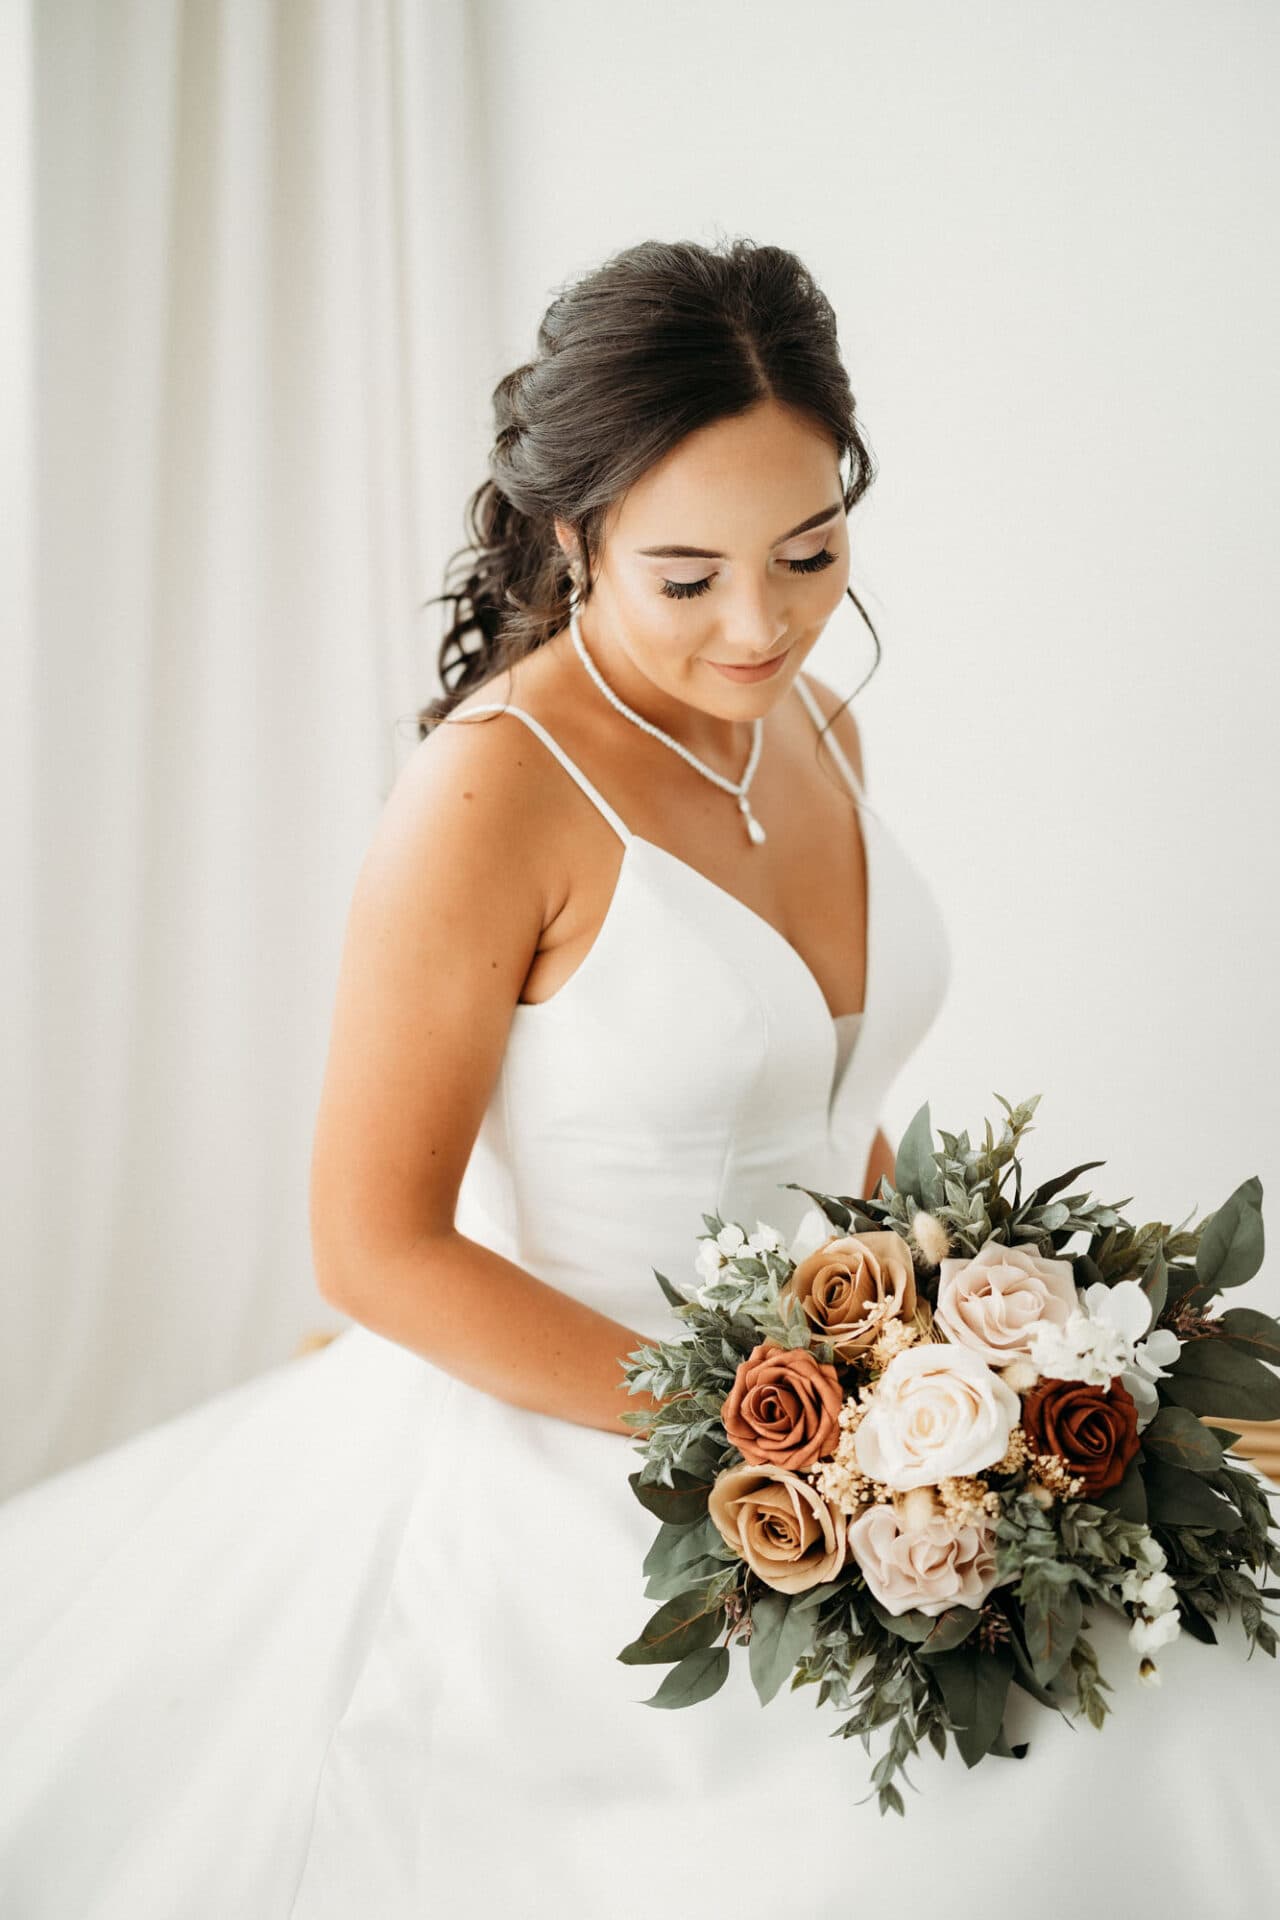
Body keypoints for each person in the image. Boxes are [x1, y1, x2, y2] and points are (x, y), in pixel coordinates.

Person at [1, 238, 1276, 1920]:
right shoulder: (488, 796)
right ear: (571, 533)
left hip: (869, 1409)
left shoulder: (815, 723)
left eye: (809, 552)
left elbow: (814, 1111)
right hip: (597, 1430)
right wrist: (789, 1450)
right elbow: (371, 1246)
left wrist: (978, 1353)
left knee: (1178, 1696)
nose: (761, 625)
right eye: (686, 577)